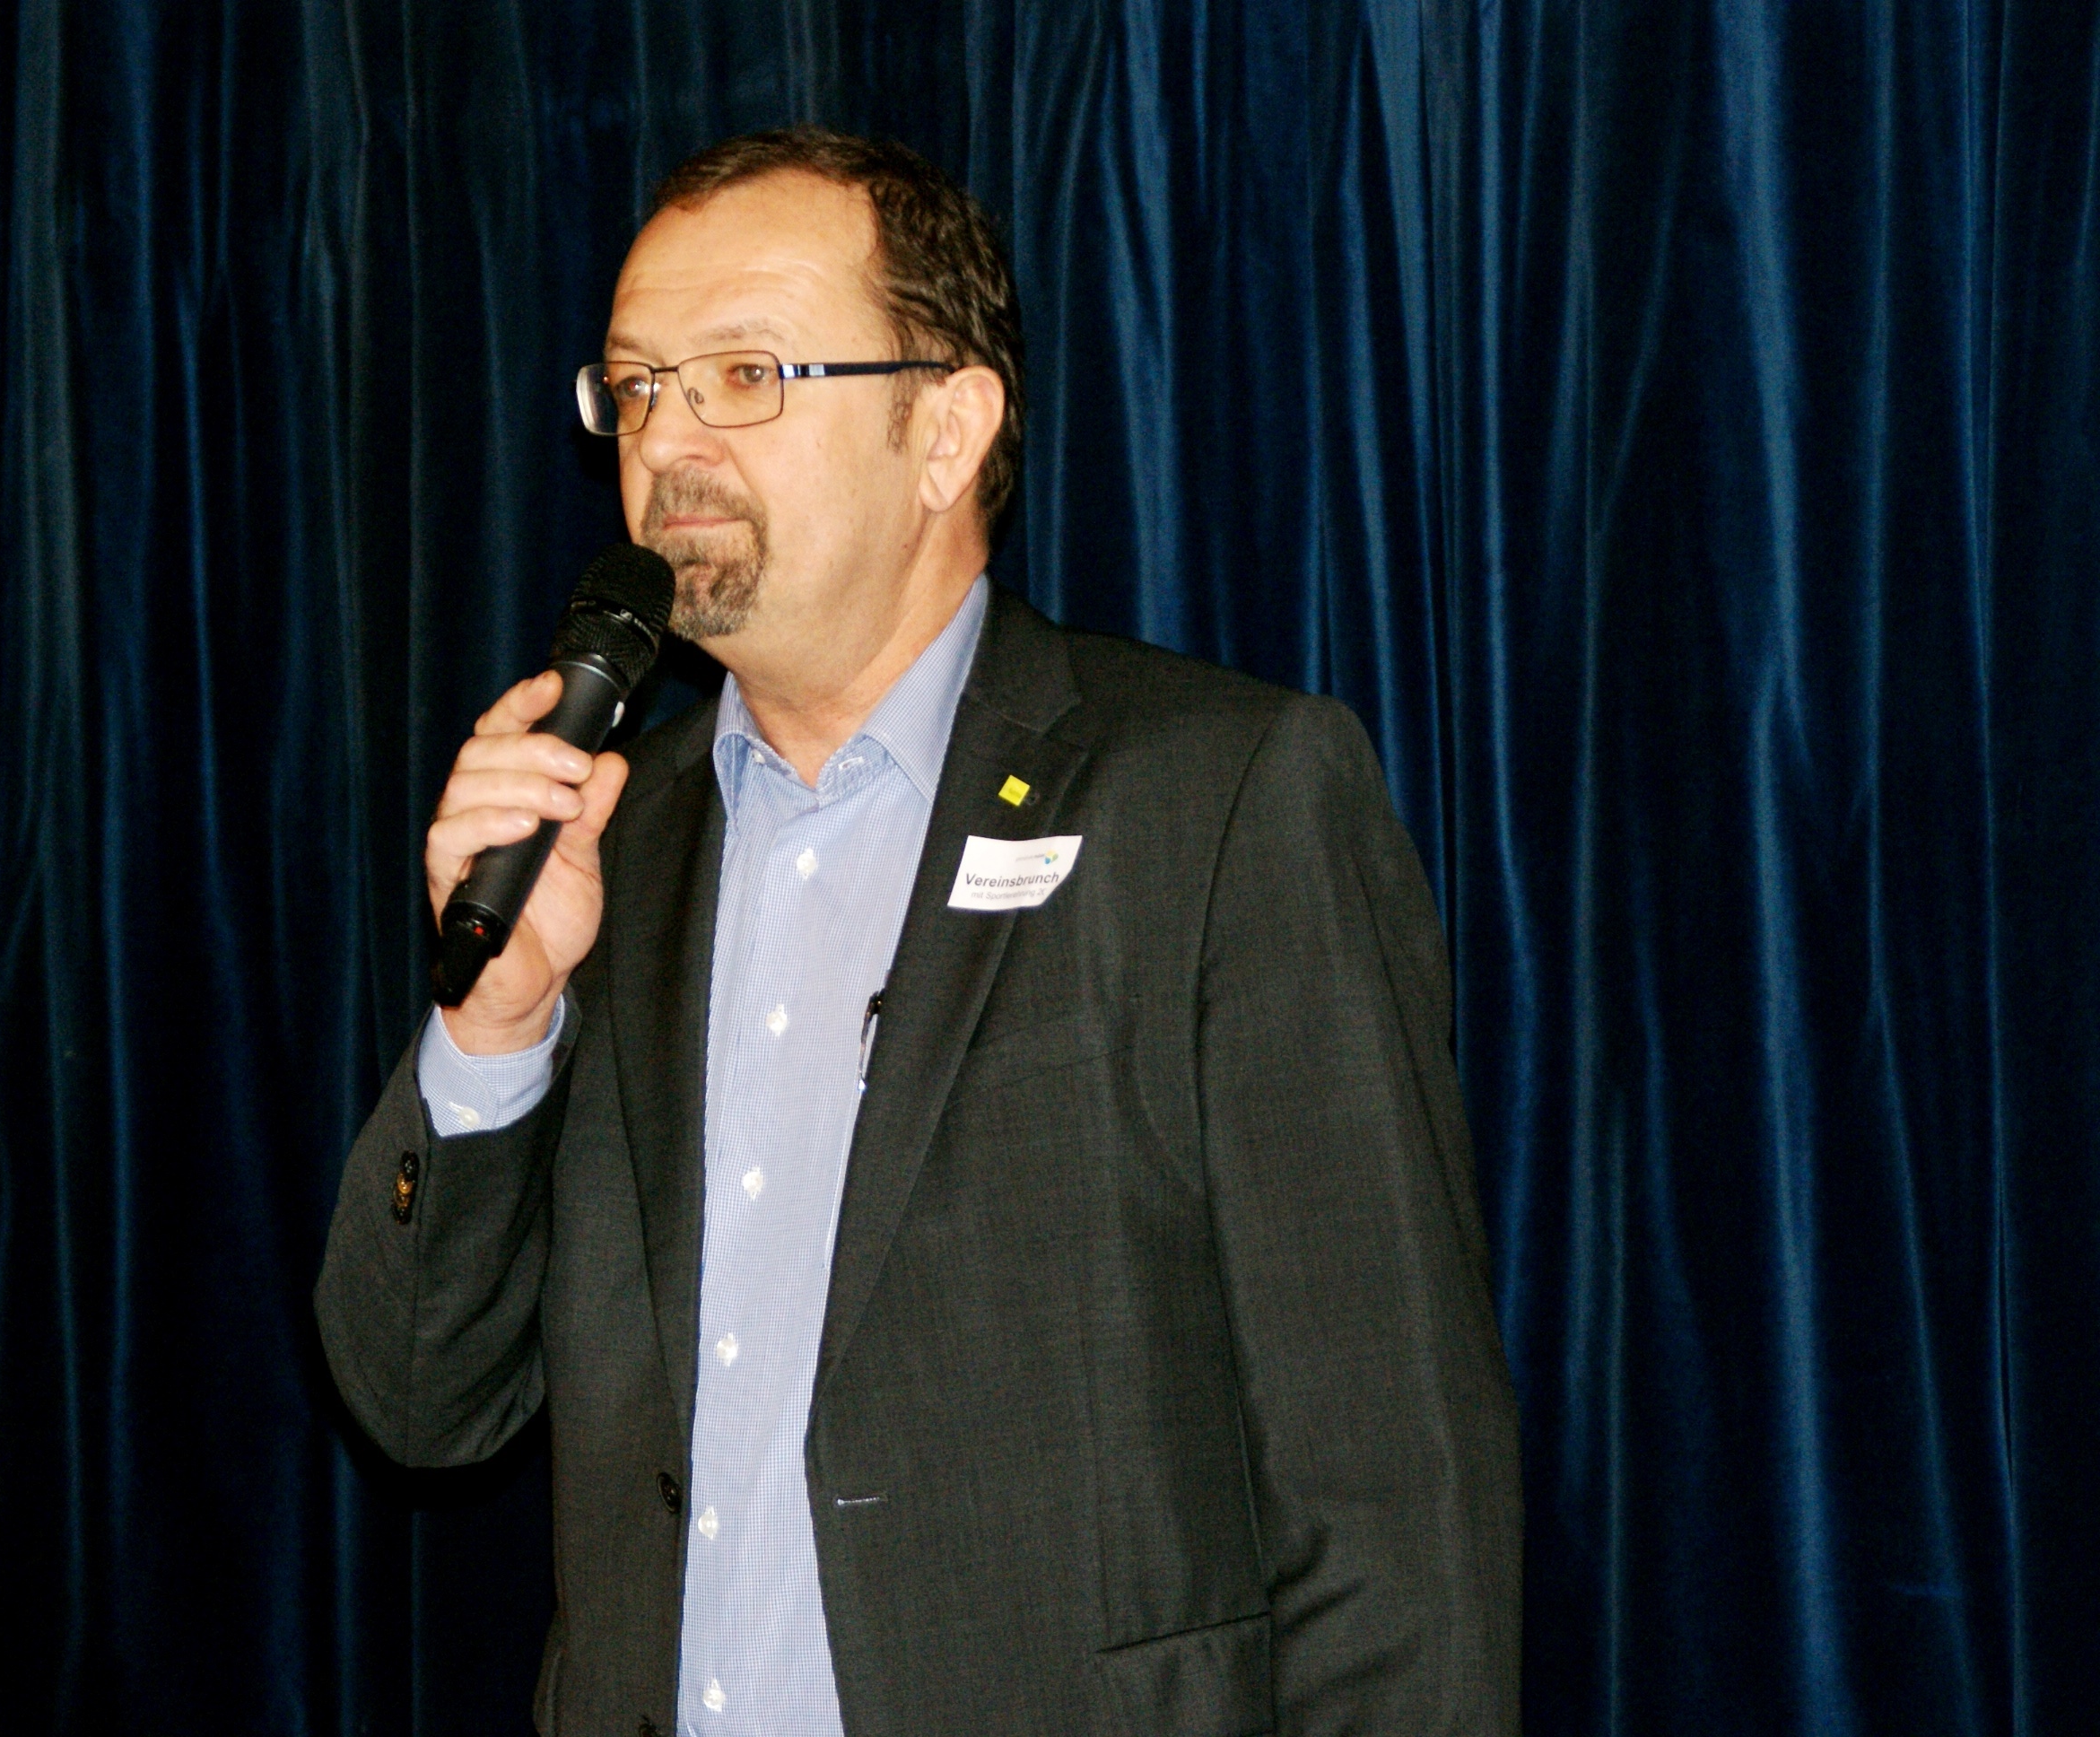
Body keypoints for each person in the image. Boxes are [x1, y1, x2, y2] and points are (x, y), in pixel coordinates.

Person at [317, 127, 1519, 1736]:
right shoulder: (609, 849)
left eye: (746, 374)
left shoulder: (1220, 803)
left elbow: (1394, 1501)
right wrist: (498, 1026)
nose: (670, 439)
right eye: (640, 386)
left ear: (946, 429)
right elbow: (418, 1402)